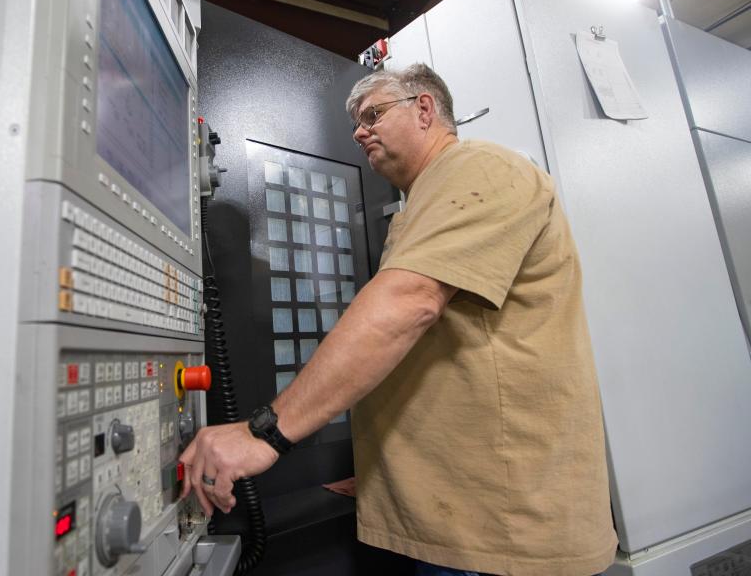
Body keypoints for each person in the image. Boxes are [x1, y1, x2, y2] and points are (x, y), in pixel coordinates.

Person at [179, 63, 617, 576]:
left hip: (500, 527)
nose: (360, 131)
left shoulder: (480, 168)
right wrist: (390, 468)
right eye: (357, 122)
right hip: (456, 509)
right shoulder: (424, 202)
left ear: (425, 109)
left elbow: (409, 303)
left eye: (373, 114)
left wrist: (264, 435)